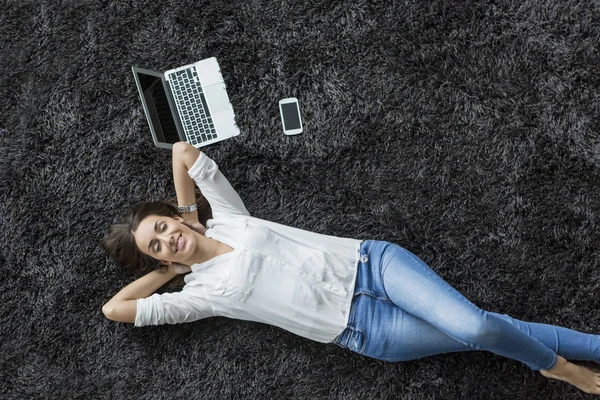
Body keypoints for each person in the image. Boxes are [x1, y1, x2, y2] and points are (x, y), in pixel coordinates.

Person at [102, 141, 600, 395]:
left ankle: (560, 370)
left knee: (477, 325)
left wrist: (190, 217)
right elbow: (116, 308)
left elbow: (181, 153)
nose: (170, 237)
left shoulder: (229, 218)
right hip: (364, 331)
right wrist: (171, 273)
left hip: (371, 266)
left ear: (172, 216)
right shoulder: (200, 296)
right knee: (491, 331)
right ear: (158, 258)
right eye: (158, 244)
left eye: (164, 225)